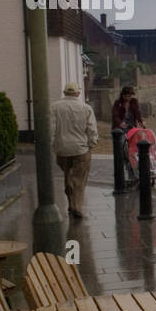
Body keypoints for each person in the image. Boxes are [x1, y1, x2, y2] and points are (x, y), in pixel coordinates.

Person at [52, 82, 98, 219]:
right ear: (78, 93)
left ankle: (70, 202)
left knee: (68, 174)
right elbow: (91, 129)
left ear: (64, 92)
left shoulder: (54, 107)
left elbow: (51, 128)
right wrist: (92, 143)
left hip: (62, 149)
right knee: (79, 178)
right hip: (80, 148)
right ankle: (76, 206)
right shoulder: (86, 108)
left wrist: (52, 144)